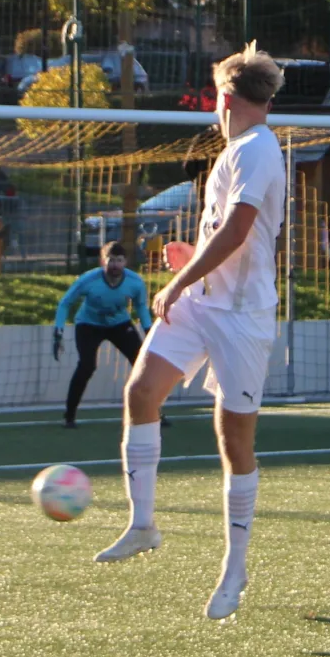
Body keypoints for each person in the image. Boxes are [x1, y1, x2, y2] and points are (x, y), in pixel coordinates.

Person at [95, 44, 286, 621]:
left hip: (242, 317)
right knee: (141, 392)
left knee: (234, 442)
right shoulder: (235, 150)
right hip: (204, 303)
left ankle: (234, 569)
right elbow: (222, 239)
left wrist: (177, 280)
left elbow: (238, 229)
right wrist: (191, 262)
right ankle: (143, 524)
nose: (211, 110)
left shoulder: (258, 149)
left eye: (213, 100)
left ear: (225, 99)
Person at [53, 240, 151, 428]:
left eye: (119, 260)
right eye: (111, 260)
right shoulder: (88, 280)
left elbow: (141, 307)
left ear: (125, 261)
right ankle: (70, 414)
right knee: (87, 366)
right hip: (89, 325)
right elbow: (65, 303)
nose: (115, 265)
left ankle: (153, 412)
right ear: (102, 261)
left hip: (120, 324)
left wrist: (149, 331)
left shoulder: (135, 282)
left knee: (142, 365)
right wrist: (58, 330)